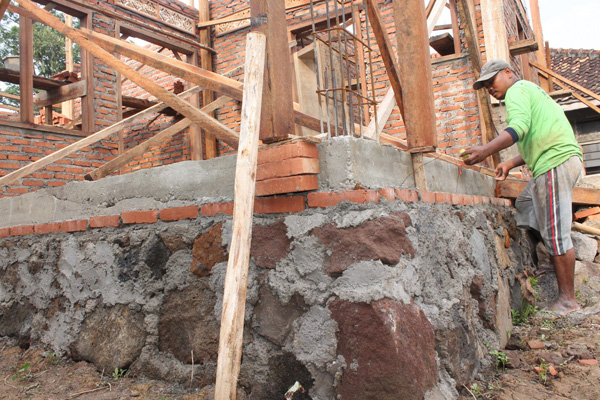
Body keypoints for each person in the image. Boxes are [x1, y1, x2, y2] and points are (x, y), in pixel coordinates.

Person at [462, 59, 583, 315]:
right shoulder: (530, 90)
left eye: (491, 81)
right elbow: (540, 135)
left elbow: (517, 129)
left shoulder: (516, 91)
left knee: (557, 234)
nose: (489, 89)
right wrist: (511, 163)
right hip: (557, 161)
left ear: (508, 72)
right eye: (484, 86)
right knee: (528, 200)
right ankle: (551, 258)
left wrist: (485, 150)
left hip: (554, 163)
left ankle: (567, 302)